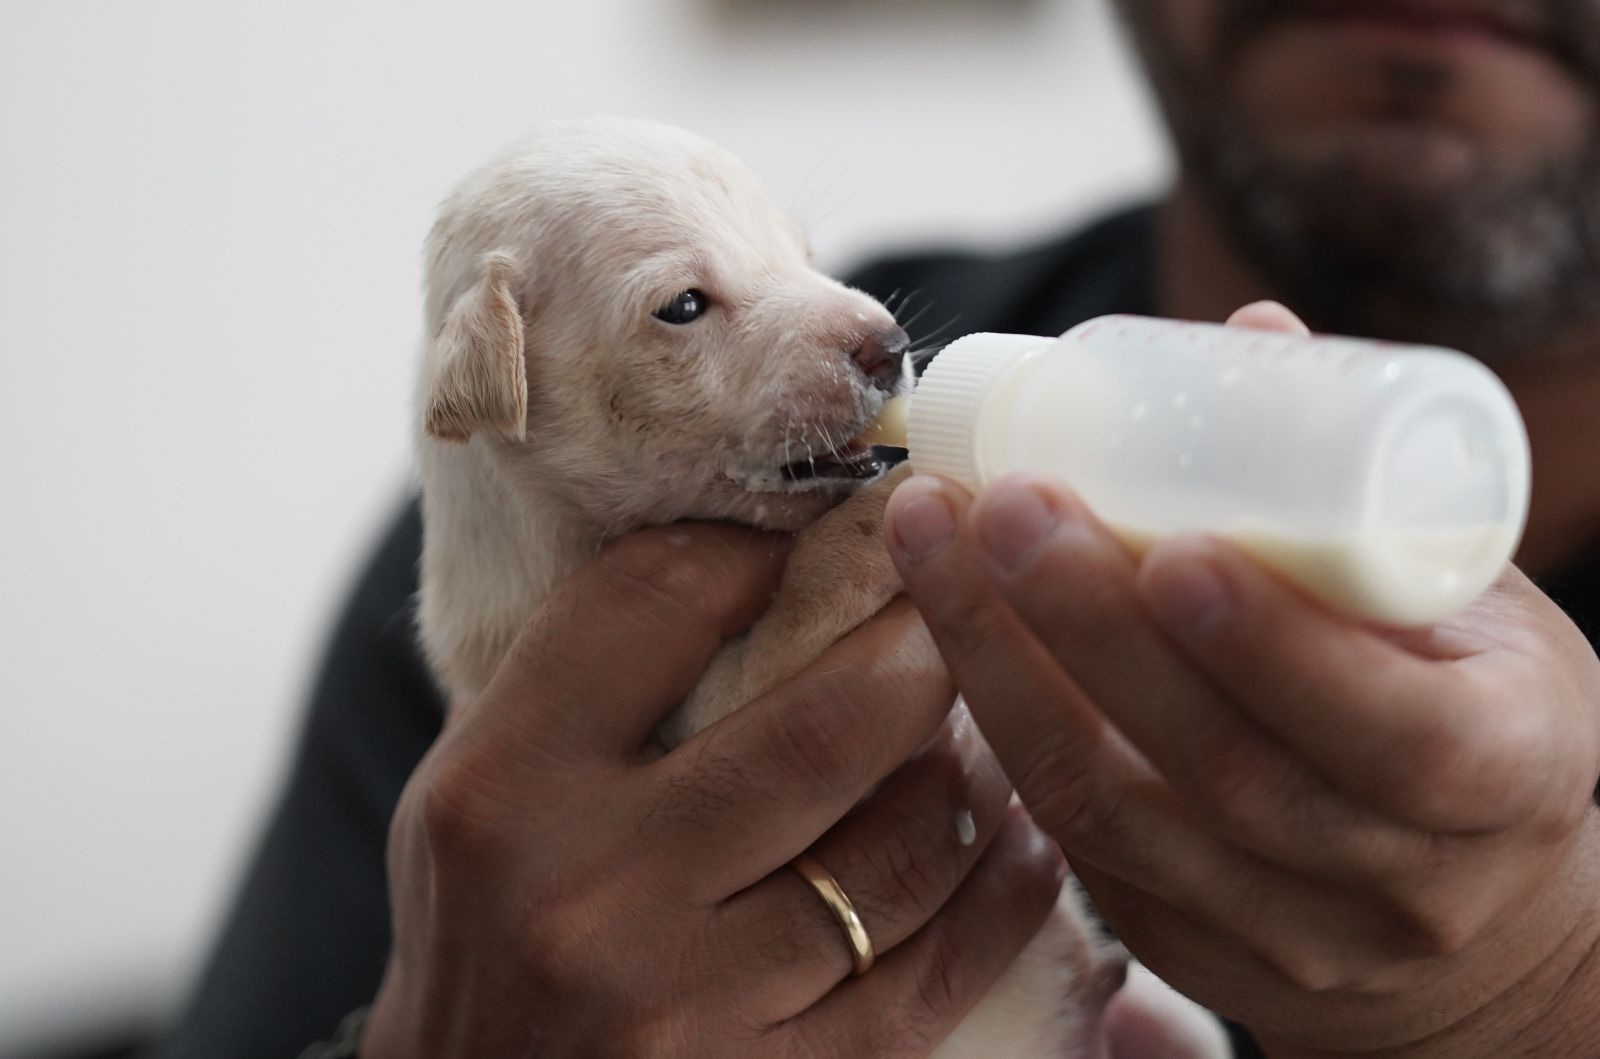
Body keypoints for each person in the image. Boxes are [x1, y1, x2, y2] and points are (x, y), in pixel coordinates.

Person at [149, 2, 1600, 1056]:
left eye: (794, 258)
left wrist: (1548, 1001)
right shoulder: (520, 573)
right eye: (687, 305)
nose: (863, 331)